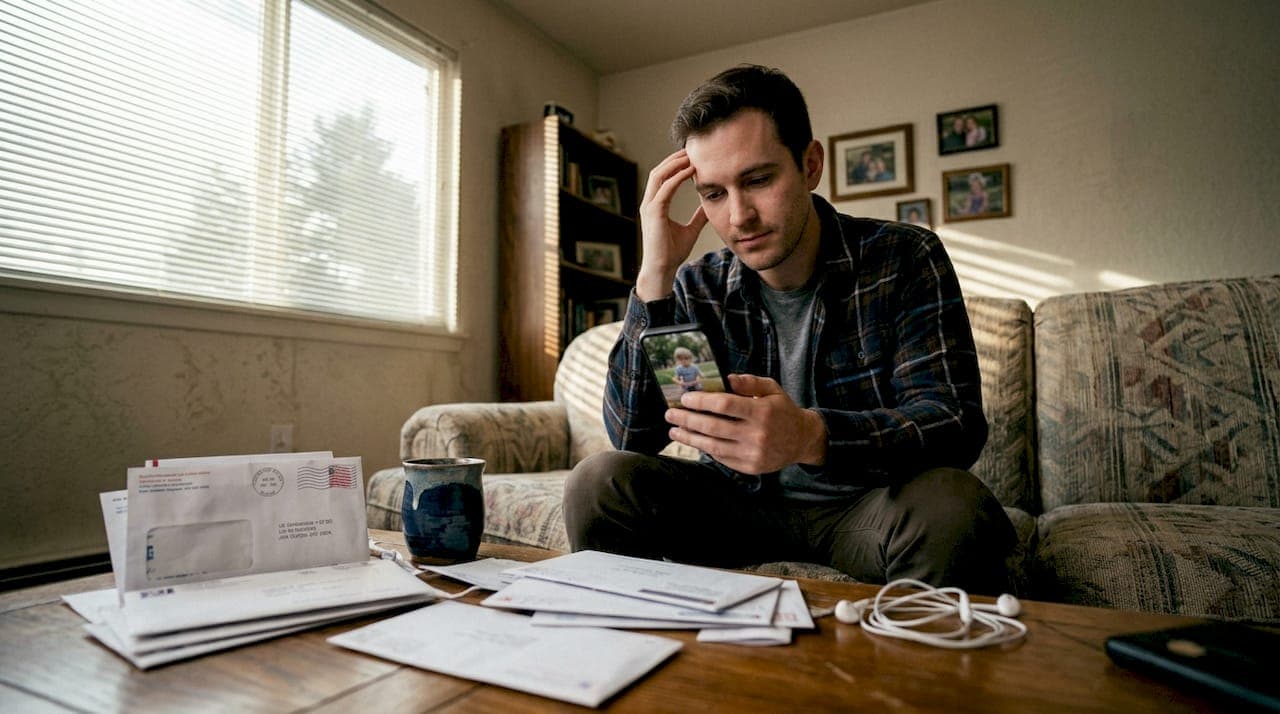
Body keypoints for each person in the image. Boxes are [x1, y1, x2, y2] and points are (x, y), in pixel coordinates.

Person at [562, 64, 1014, 595]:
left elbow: (953, 425)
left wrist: (809, 436)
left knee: (954, 508)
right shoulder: (698, 286)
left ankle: (909, 674)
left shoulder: (903, 258)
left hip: (864, 507)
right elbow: (636, 436)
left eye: (757, 180)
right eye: (713, 193)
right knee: (598, 483)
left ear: (811, 164)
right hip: (735, 506)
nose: (739, 217)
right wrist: (654, 277)